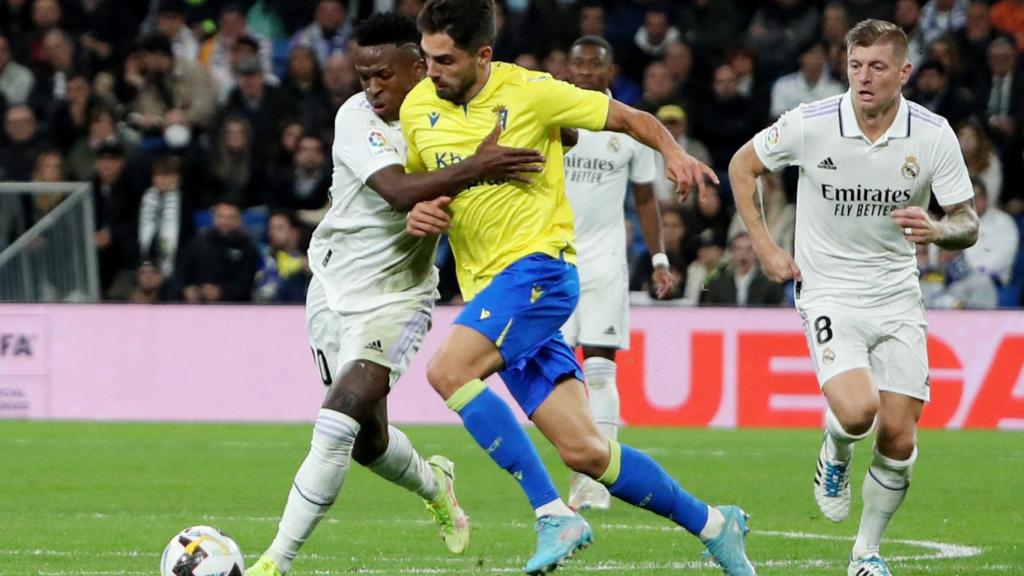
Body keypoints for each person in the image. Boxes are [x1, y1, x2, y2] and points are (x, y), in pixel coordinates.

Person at [402, 1, 755, 574]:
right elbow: (427, 183)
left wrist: (671, 151)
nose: (432, 70)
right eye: (426, 57)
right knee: (586, 451)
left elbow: (631, 119)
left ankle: (551, 513)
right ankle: (716, 524)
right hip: (491, 294)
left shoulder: (533, 92)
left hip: (539, 273)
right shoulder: (420, 105)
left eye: (444, 60)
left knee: (447, 371)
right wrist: (422, 208)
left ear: (483, 55)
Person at [245, 12, 551, 576]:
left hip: (398, 298)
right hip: (333, 288)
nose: (372, 88)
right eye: (363, 76)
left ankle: (274, 562)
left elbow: (477, 180)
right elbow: (396, 189)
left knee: (336, 420)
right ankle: (437, 486)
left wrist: (447, 204)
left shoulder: (451, 115)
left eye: (384, 75)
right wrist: (461, 176)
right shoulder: (356, 116)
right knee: (367, 442)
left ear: (420, 65)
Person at [728, 19, 979, 576]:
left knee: (899, 433)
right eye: (856, 65)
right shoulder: (811, 123)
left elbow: (967, 221)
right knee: (858, 410)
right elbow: (742, 166)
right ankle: (835, 454)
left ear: (904, 72)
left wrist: (937, 229)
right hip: (828, 290)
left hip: (896, 293)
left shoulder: (932, 133)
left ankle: (865, 553)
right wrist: (766, 247)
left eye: (878, 67)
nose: (864, 78)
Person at [558, 35, 677, 511]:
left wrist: (659, 259)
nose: (585, 71)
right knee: (560, 375)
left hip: (606, 262)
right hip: (553, 261)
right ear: (567, 68)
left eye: (595, 64)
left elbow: (645, 198)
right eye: (578, 63)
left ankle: (596, 481)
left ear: (610, 71)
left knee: (602, 370)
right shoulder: (552, 118)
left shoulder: (629, 127)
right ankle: (579, 469)